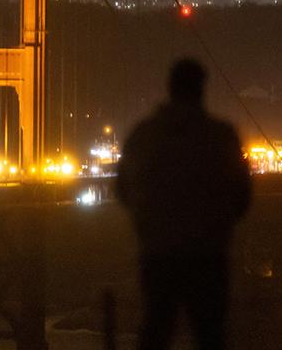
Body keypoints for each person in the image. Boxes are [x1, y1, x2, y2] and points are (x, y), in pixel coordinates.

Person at [117, 58, 252, 350]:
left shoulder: (144, 134)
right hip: (208, 254)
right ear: (203, 88)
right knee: (210, 333)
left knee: (156, 328)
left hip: (158, 252)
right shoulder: (221, 135)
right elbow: (242, 196)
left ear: (169, 87)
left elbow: (122, 190)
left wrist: (150, 222)